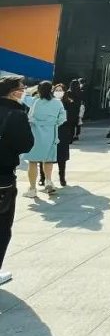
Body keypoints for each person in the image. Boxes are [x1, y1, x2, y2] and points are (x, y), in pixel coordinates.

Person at [0, 75, 35, 285]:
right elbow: (26, 144)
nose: (25, 91)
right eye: (23, 88)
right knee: (2, 226)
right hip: (3, 175)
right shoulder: (16, 114)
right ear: (14, 92)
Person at [23, 82, 65, 197]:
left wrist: (32, 89)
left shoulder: (34, 101)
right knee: (48, 160)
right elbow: (62, 118)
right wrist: (53, 123)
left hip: (35, 133)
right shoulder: (57, 102)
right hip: (51, 134)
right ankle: (48, 181)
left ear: (39, 90)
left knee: (32, 161)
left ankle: (32, 189)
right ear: (51, 90)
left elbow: (24, 95)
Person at [54, 84, 75, 187]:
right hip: (51, 130)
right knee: (46, 154)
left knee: (62, 156)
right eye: (56, 90)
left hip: (63, 131)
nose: (58, 92)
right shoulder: (50, 103)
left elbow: (71, 118)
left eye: (60, 90)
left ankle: (62, 177)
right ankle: (43, 177)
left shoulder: (69, 103)